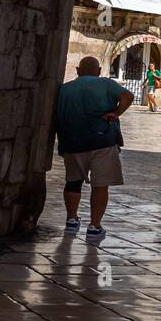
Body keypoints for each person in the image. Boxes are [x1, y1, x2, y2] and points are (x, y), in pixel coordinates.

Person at [55, 56, 134, 242]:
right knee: (100, 185)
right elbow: (128, 96)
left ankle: (71, 220)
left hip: (72, 141)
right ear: (99, 70)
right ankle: (94, 226)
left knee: (72, 182)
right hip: (102, 140)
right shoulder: (106, 83)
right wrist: (115, 113)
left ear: (77, 70)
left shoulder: (65, 89)